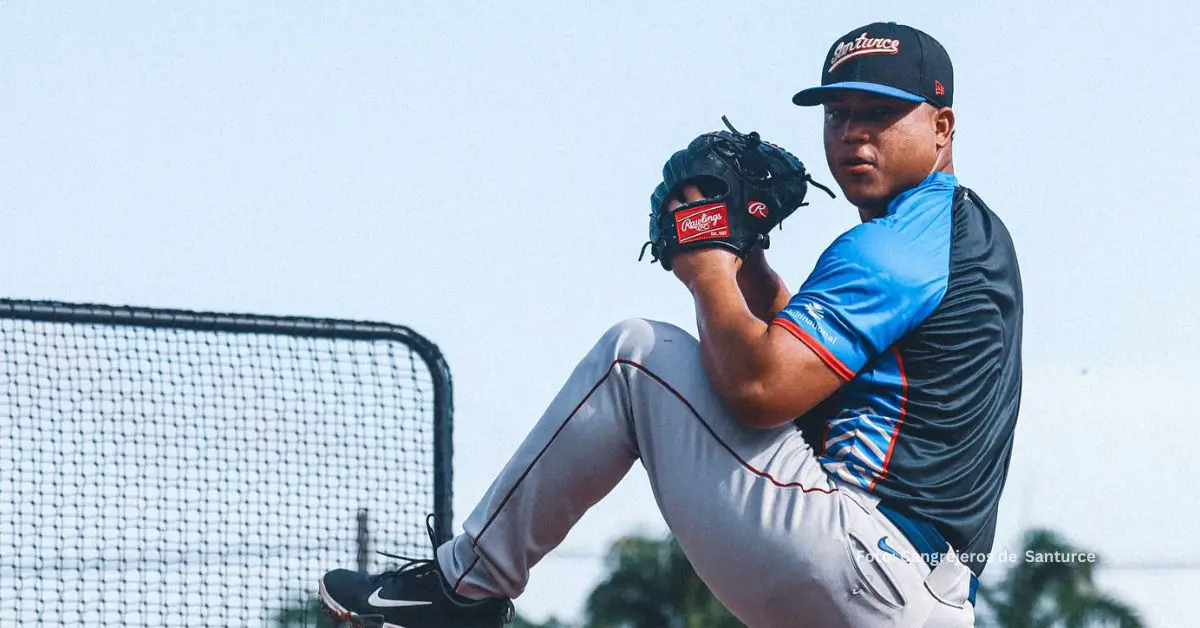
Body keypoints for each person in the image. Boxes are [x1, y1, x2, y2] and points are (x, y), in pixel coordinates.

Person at [319, 21, 1022, 628]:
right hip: (927, 598)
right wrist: (747, 267)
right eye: (838, 113)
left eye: (880, 112)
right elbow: (821, 388)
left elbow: (760, 390)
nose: (853, 133)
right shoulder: (961, 236)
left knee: (634, 358)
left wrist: (706, 263)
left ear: (941, 125)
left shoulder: (892, 248)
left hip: (858, 564)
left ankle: (460, 591)